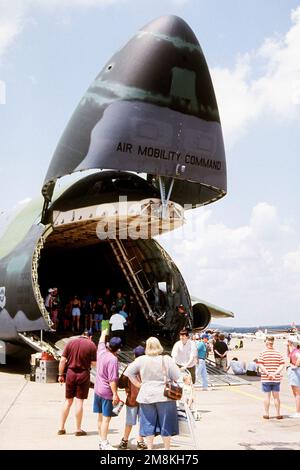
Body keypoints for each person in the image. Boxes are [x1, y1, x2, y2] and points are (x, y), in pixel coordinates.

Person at [124, 337, 180, 450]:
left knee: (148, 424)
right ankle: (167, 449)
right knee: (166, 423)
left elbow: (128, 373)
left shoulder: (141, 360)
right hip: (165, 396)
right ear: (159, 346)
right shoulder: (166, 359)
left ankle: (150, 448)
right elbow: (177, 376)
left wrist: (138, 384)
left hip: (146, 395)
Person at [57, 330, 97, 436]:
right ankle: (78, 430)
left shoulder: (70, 343)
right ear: (90, 337)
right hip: (83, 374)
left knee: (68, 401)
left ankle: (61, 428)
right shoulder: (91, 345)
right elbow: (94, 363)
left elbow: (62, 360)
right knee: (79, 402)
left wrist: (61, 375)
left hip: (70, 374)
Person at [93, 329, 122, 450]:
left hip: (97, 389)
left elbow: (100, 340)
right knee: (106, 419)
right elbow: (112, 380)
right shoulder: (113, 359)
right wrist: (115, 394)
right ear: (118, 349)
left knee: (100, 417)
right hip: (106, 392)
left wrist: (104, 332)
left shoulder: (101, 351)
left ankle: (101, 440)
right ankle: (104, 443)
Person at [118, 345, 147, 450]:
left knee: (129, 421)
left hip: (132, 398)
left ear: (135, 355)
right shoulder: (147, 367)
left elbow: (120, 383)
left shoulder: (130, 366)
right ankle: (140, 441)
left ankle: (124, 440)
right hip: (145, 399)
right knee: (142, 421)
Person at [257, 335, 285, 419]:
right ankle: (278, 414)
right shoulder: (278, 353)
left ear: (266, 342)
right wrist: (275, 373)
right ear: (273, 342)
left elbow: (261, 365)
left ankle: (266, 414)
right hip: (276, 378)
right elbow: (282, 365)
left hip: (266, 378)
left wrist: (268, 373)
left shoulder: (263, 353)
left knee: (267, 396)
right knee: (276, 397)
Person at [286, 336, 300, 418]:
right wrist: (287, 347)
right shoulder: (294, 351)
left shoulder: (296, 352)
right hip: (294, 372)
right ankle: (298, 411)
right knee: (296, 393)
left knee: (297, 393)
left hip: (296, 372)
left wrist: (296, 366)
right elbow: (288, 355)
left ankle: (298, 412)